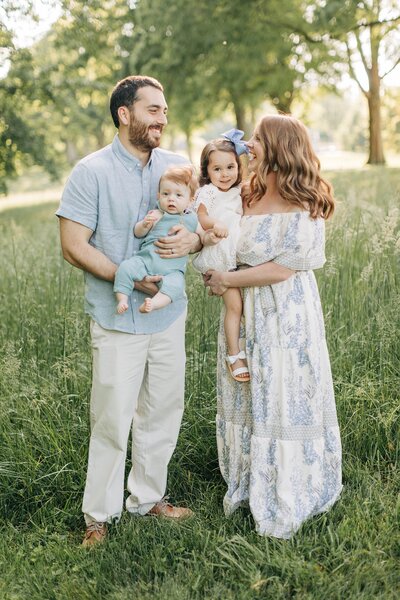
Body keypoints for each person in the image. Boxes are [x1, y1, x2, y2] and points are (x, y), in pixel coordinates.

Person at [56, 75, 202, 547]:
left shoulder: (178, 166)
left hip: (166, 316)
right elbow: (73, 246)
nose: (163, 117)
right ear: (125, 114)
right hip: (116, 316)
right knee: (113, 417)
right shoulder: (90, 171)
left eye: (164, 109)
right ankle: (99, 515)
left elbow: (199, 230)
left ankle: (147, 497)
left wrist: (194, 239)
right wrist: (127, 273)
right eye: (153, 109)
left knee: (162, 409)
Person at [204, 114, 342, 539]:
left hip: (288, 314)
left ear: (280, 146)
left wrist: (229, 280)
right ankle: (249, 479)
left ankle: (290, 483)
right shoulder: (249, 190)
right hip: (247, 310)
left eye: (259, 139)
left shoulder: (305, 202)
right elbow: (219, 233)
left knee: (283, 391)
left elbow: (283, 269)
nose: (251, 145)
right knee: (249, 391)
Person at [192, 132, 249, 382]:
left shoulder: (239, 191)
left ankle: (242, 347)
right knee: (234, 306)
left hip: (237, 257)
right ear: (207, 171)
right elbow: (202, 218)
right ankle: (234, 354)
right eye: (217, 169)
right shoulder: (208, 192)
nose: (225, 174)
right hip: (219, 255)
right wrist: (215, 224)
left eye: (230, 167)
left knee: (245, 306)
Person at [114, 165, 201, 314]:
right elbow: (138, 232)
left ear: (190, 200)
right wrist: (144, 224)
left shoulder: (192, 219)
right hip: (146, 261)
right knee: (125, 268)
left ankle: (153, 304)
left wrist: (211, 236)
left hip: (172, 271)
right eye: (166, 194)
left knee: (177, 286)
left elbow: (203, 236)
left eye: (178, 195)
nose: (171, 198)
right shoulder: (156, 214)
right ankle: (122, 299)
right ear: (158, 196)